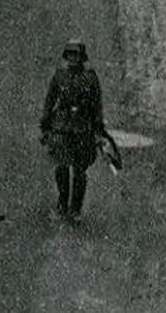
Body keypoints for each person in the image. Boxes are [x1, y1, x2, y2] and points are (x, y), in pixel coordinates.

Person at [40, 40, 104, 224]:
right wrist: (45, 127)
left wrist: (98, 130)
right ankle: (62, 204)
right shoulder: (59, 77)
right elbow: (49, 101)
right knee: (61, 167)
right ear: (66, 57)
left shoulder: (90, 78)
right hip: (62, 127)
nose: (73, 58)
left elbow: (97, 105)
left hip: (83, 128)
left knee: (80, 171)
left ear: (82, 58)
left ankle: (75, 209)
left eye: (77, 55)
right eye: (70, 55)